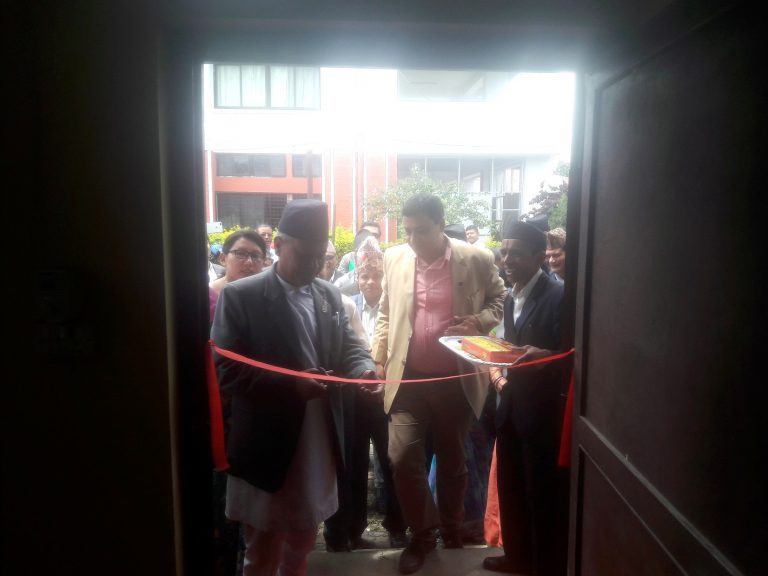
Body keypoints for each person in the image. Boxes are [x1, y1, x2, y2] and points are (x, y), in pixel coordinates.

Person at [211, 199, 378, 576]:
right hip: (266, 442)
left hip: (319, 437)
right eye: (304, 256)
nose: (313, 266)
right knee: (263, 548)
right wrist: (292, 386)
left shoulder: (328, 294)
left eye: (320, 257)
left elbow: (349, 346)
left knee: (303, 538)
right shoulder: (241, 297)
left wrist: (364, 370)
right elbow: (227, 370)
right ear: (278, 245)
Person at [370, 193, 506, 575]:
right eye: (408, 231)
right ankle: (422, 535)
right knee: (402, 458)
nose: (414, 239)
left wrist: (478, 321)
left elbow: (499, 299)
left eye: (422, 231)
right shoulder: (395, 258)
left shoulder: (476, 258)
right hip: (408, 378)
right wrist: (378, 359)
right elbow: (385, 312)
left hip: (455, 378)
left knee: (452, 459)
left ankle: (451, 528)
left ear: (441, 225)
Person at [482, 219, 569, 576]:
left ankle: (542, 564)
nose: (507, 260)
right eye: (504, 252)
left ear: (538, 256)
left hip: (543, 414)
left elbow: (573, 354)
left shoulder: (559, 296)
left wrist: (546, 359)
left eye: (516, 254)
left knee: (540, 493)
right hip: (512, 407)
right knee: (512, 487)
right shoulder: (510, 296)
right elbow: (509, 347)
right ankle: (516, 557)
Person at [209, 230, 267, 297]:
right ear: (223, 259)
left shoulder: (271, 294)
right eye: (241, 254)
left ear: (264, 262)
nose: (249, 262)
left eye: (255, 256)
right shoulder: (207, 295)